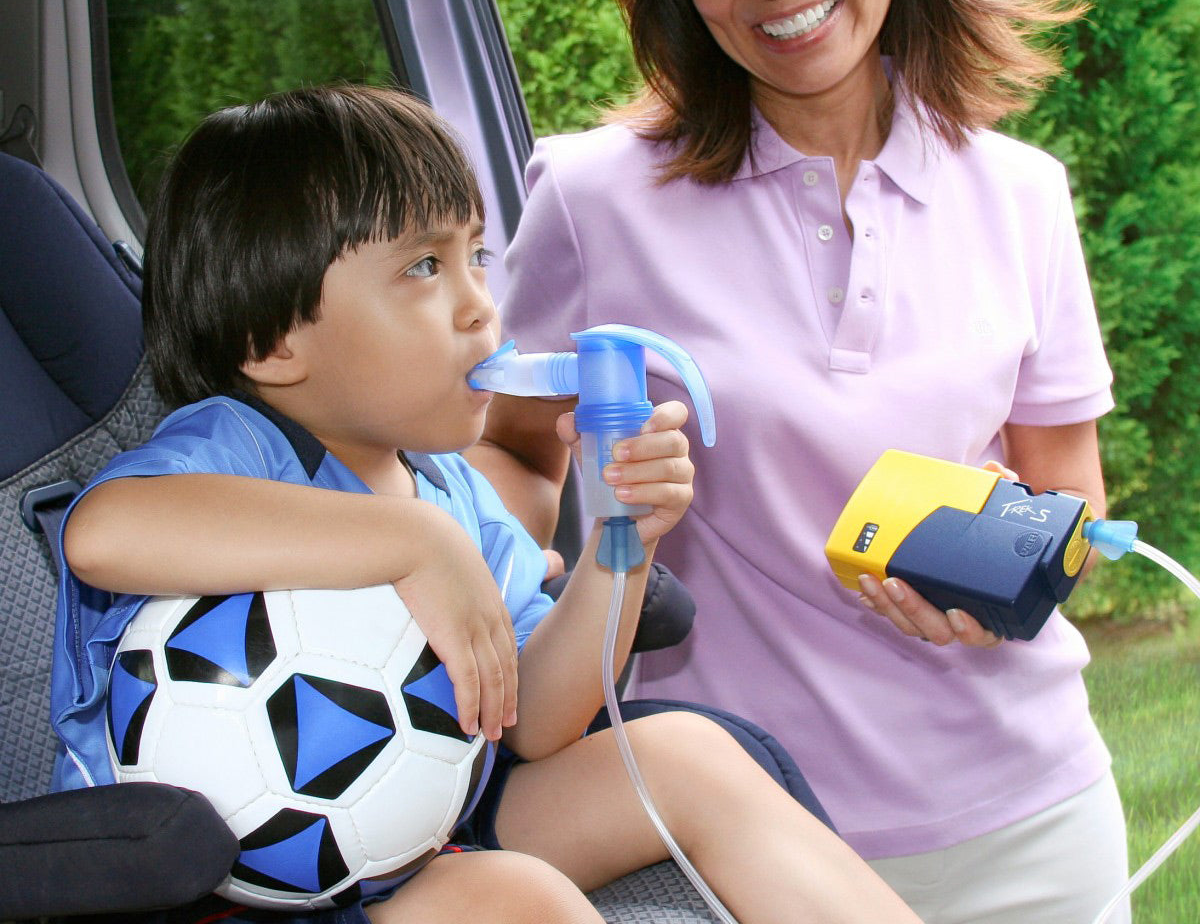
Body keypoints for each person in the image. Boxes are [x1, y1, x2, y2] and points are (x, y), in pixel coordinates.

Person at [469, 0, 1132, 921]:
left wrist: (1005, 590)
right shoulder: (592, 197)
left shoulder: (1021, 192)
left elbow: (1068, 491)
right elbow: (515, 455)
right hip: (750, 830)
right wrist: (554, 582)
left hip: (1033, 812)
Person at [49, 84, 920, 924]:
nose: (480, 308)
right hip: (217, 883)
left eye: (477, 257)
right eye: (424, 266)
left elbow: (537, 720)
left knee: (684, 757)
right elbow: (102, 534)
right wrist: (408, 542)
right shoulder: (239, 447)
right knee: (512, 899)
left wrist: (625, 538)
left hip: (422, 824)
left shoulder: (447, 488)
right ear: (274, 342)